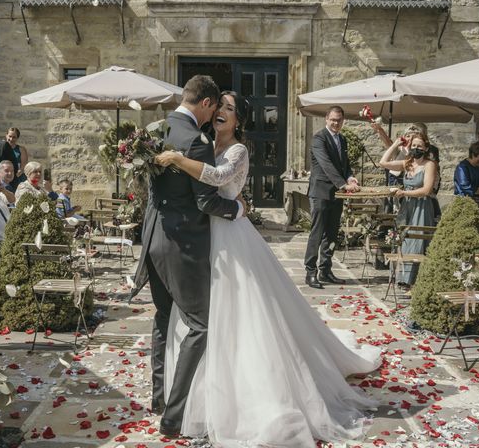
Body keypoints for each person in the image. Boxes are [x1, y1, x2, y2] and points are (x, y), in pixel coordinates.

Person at [154, 92, 380, 445]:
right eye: (220, 106)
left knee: (241, 312)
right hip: (203, 236)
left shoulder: (238, 150)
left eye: (230, 108)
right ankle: (193, 394)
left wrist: (177, 159)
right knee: (203, 313)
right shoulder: (202, 143)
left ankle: (249, 394)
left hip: (230, 237)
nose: (221, 113)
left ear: (239, 120)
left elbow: (218, 177)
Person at [130, 75, 243, 437]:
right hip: (183, 246)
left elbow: (151, 192)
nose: (214, 118)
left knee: (164, 317)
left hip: (152, 240)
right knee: (200, 325)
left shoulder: (155, 130)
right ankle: (173, 418)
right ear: (207, 104)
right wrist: (239, 209)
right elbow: (206, 200)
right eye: (214, 110)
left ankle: (159, 397)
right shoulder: (195, 141)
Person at [304, 106, 359, 289]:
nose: (336, 123)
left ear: (343, 121)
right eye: (333, 119)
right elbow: (326, 164)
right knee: (317, 233)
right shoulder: (319, 138)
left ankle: (325, 270)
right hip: (320, 191)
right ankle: (310, 272)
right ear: (326, 119)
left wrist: (350, 176)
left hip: (338, 194)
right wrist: (343, 184)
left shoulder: (342, 139)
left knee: (332, 233)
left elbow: (345, 164)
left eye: (339, 120)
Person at [379, 133, 437, 286]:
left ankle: (415, 281)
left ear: (426, 148)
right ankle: (403, 278)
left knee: (418, 241)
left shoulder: (429, 165)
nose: (416, 148)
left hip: (422, 207)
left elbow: (426, 190)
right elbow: (383, 162)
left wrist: (404, 192)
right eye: (414, 146)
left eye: (419, 146)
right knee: (404, 239)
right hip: (407, 207)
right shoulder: (407, 163)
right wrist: (395, 144)